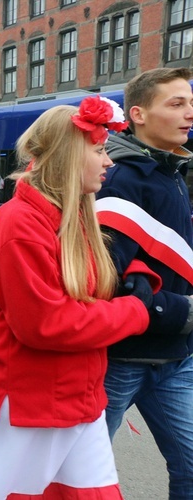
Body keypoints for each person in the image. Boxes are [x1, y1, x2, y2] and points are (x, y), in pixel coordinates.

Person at [0, 97, 165, 498]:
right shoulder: (19, 224)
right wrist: (136, 310)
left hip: (77, 397)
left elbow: (95, 275)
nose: (108, 161)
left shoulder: (73, 216)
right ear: (68, 155)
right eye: (99, 150)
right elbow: (47, 323)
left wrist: (138, 278)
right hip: (29, 403)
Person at [96, 68, 193, 498]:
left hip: (174, 355)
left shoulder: (170, 171)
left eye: (190, 103)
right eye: (176, 103)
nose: (189, 113)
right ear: (137, 114)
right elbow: (105, 280)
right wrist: (182, 311)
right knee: (79, 470)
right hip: (121, 360)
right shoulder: (122, 180)